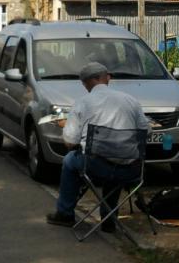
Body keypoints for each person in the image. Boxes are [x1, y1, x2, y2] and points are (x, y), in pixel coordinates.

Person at [46, 62, 149, 231]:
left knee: (70, 160)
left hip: (96, 167)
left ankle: (65, 213)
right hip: (131, 169)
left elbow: (70, 142)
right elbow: (145, 131)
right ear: (104, 78)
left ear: (87, 82)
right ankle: (109, 219)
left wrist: (68, 126)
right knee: (117, 158)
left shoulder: (82, 103)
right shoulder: (130, 101)